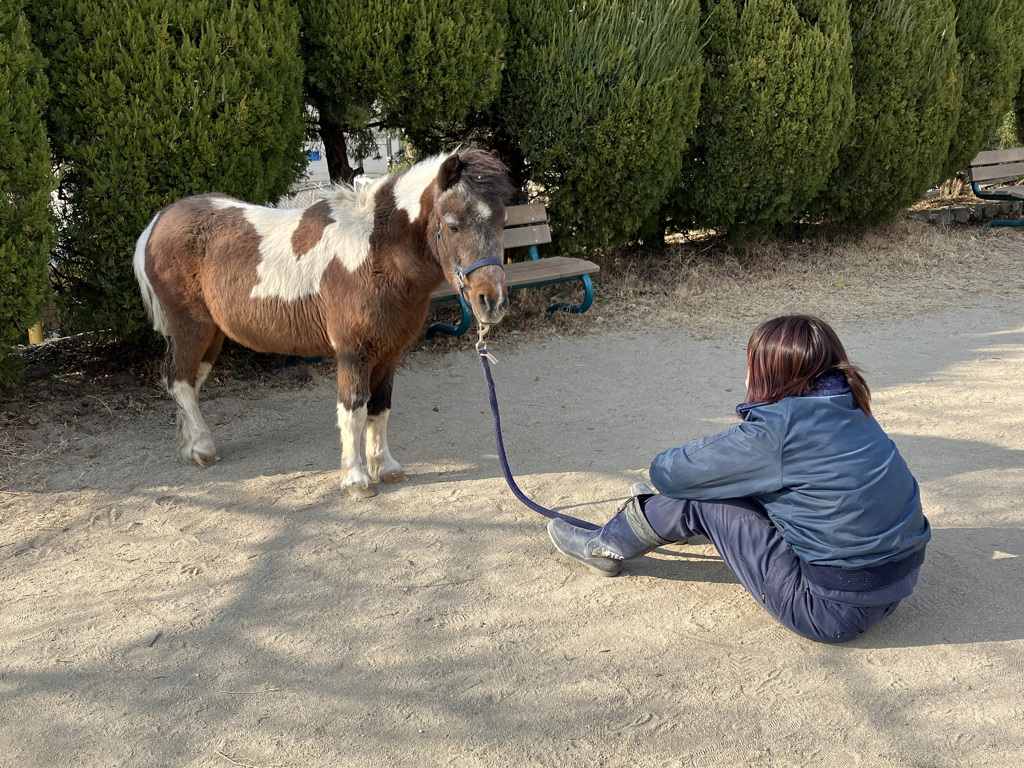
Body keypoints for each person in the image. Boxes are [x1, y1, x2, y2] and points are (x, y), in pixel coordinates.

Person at [548, 314, 930, 643]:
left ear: (769, 372)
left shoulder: (778, 430)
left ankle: (604, 547)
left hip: (829, 610)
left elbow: (667, 472)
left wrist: (738, 446)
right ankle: (655, 519)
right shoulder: (851, 406)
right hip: (899, 583)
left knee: (696, 497)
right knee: (745, 483)